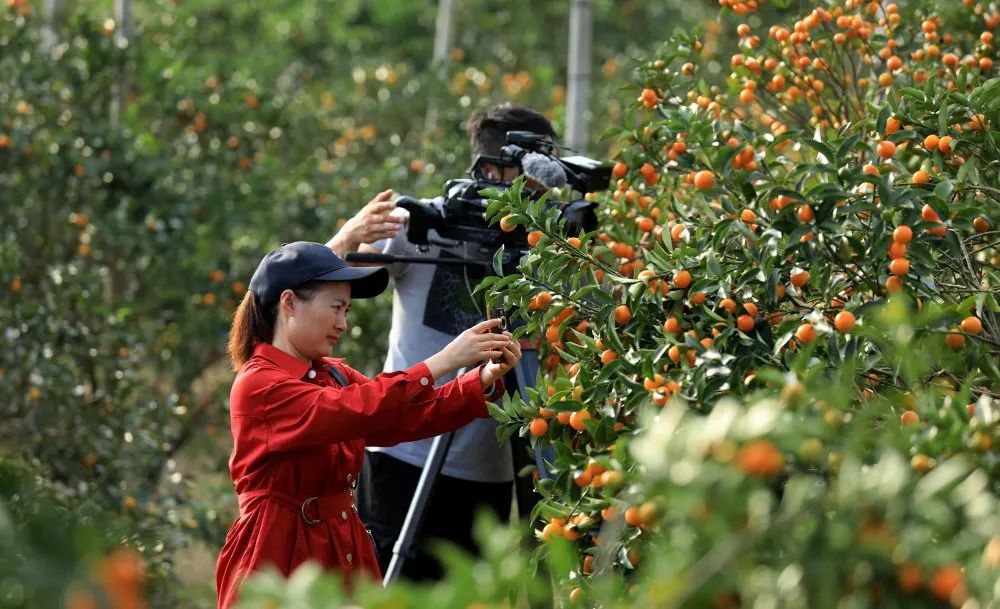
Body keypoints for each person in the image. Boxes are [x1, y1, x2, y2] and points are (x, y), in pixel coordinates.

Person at [215, 241, 521, 609]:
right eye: (336, 308)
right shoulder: (259, 385)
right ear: (289, 303)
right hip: (279, 553)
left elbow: (402, 417)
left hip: (341, 546)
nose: (343, 323)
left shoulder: (332, 375)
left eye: (346, 310)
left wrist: (481, 378)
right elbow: (356, 408)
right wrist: (444, 360)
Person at [326, 104, 556, 580]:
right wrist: (347, 237)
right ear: (493, 169)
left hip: (486, 472)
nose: (545, 186)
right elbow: (318, 289)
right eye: (535, 170)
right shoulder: (426, 223)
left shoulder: (551, 243)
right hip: (402, 456)